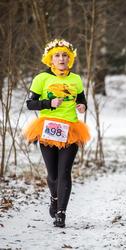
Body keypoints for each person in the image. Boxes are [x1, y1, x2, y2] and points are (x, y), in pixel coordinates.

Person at [23, 38, 90, 228]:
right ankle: (54, 197)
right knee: (52, 175)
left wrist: (82, 106)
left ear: (70, 59)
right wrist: (48, 104)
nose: (62, 59)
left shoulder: (75, 79)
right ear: (50, 60)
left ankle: (61, 213)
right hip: (47, 129)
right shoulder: (41, 78)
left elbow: (83, 100)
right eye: (57, 56)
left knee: (64, 173)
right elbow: (30, 104)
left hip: (70, 129)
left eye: (65, 56)